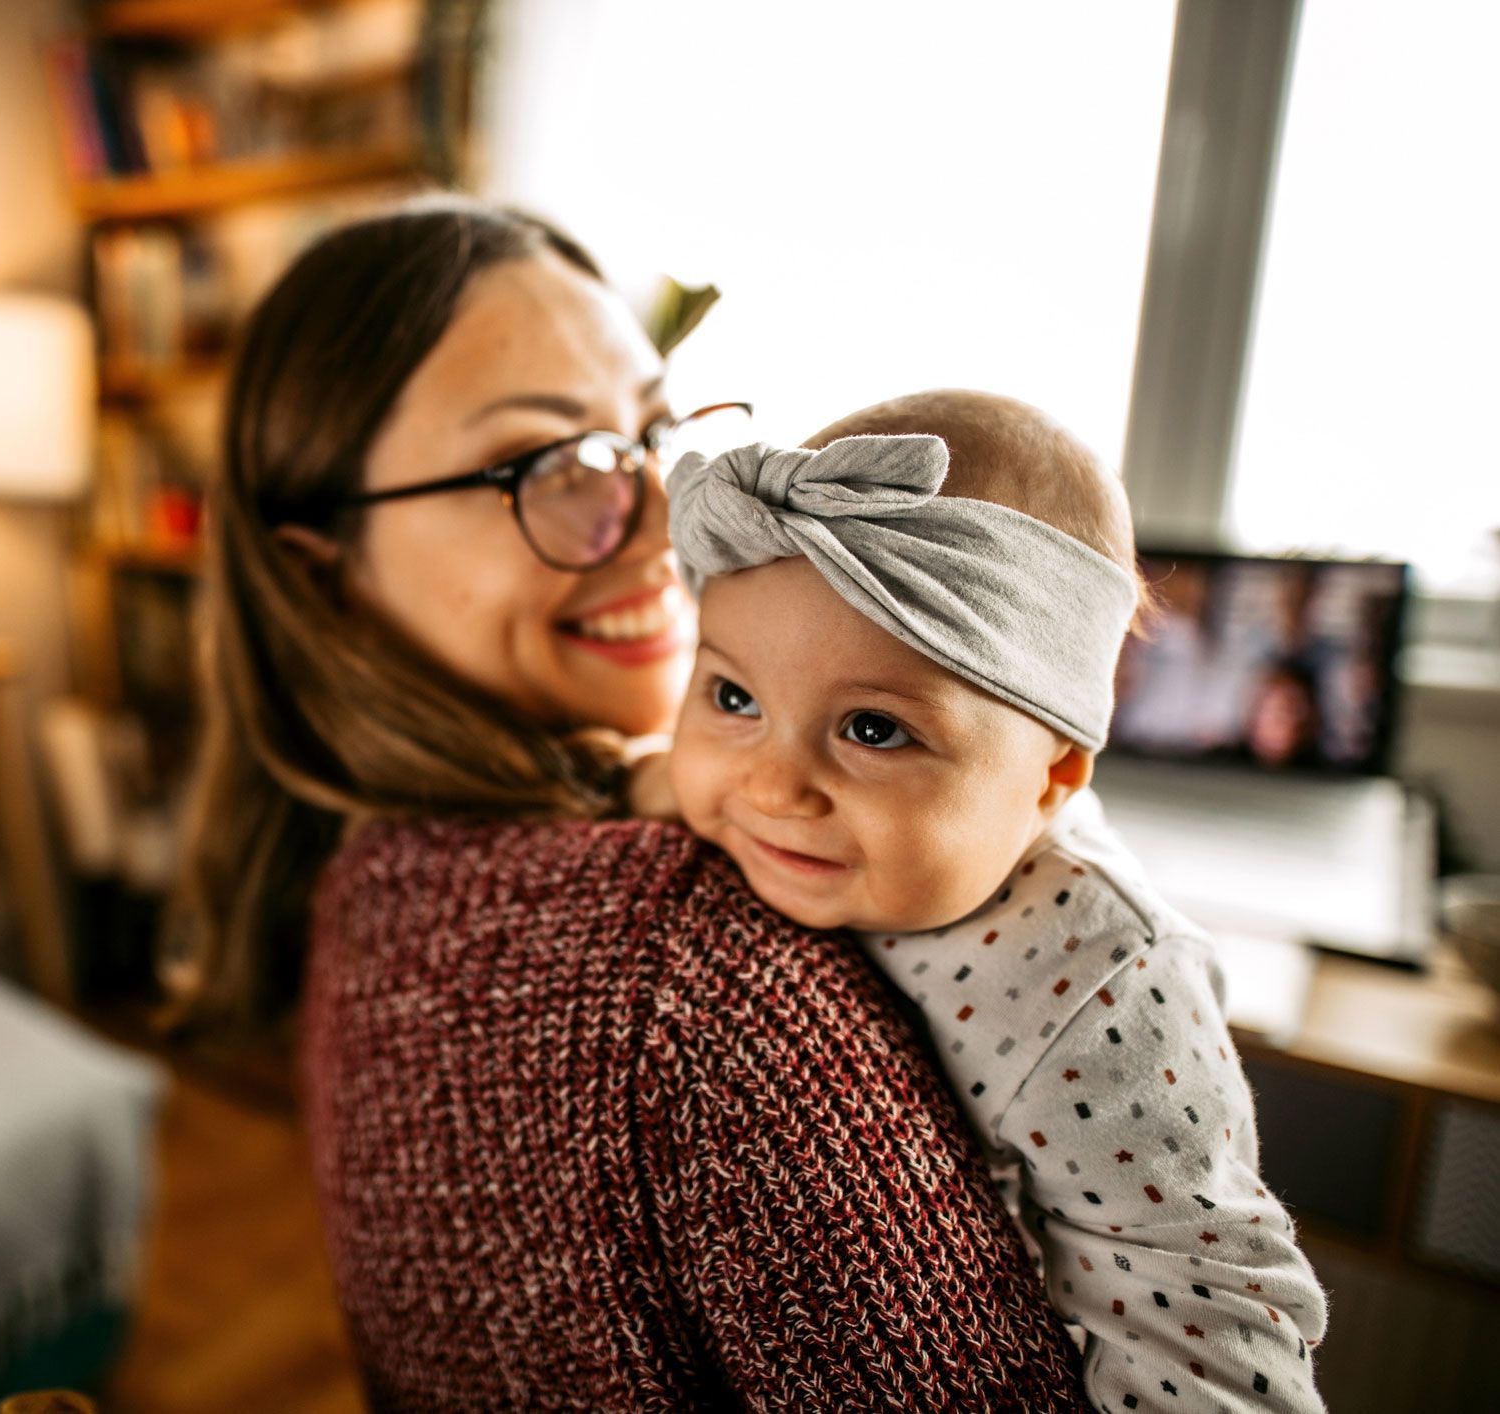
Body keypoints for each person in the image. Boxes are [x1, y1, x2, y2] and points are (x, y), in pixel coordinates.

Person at [175, 198, 1087, 1408]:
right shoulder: (690, 969)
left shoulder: (363, 883)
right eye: (554, 466)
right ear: (323, 573)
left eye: (653, 438)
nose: (669, 525)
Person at [647, 390, 1329, 1412]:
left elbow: (1208, 1319)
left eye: (873, 729)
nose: (771, 788)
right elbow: (652, 782)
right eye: (735, 697)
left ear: (1052, 776)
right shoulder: (754, 806)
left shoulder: (1100, 981)